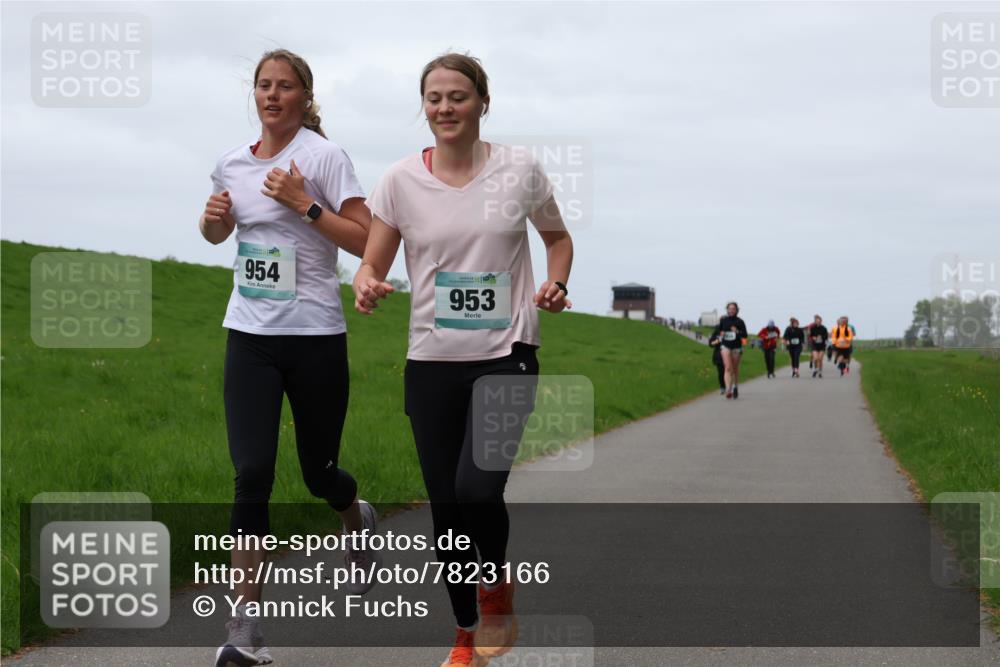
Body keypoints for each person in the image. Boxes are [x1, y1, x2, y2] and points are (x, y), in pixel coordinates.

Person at [355, 52, 574, 667]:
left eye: (458, 96)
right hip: (431, 359)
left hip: (507, 353)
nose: (445, 108)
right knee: (445, 506)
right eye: (434, 98)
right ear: (423, 106)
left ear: (483, 102)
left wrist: (554, 282)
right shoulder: (399, 180)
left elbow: (557, 238)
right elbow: (373, 259)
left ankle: (496, 585)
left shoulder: (519, 170)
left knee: (476, 488)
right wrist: (367, 282)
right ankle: (464, 633)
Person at [200, 49, 380, 667]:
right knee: (251, 474)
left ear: (305, 97)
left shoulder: (324, 157)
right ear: (254, 94)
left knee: (318, 473)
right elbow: (224, 234)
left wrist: (306, 202)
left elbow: (367, 243)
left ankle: (354, 514)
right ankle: (242, 633)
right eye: (263, 86)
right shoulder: (229, 162)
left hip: (315, 338)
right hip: (248, 334)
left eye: (285, 87)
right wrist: (212, 222)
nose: (272, 95)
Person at [718, 302, 748, 399]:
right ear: (727, 310)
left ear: (736, 310)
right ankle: (728, 389)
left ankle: (735, 386)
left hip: (736, 347)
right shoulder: (724, 321)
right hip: (725, 346)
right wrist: (721, 334)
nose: (731, 310)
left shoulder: (740, 321)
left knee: (734, 369)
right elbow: (718, 332)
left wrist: (737, 331)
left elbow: (745, 336)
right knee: (727, 367)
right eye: (729, 308)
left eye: (733, 309)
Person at [708, 325, 726, 393]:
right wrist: (717, 341)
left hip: (729, 354)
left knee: (728, 371)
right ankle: (722, 387)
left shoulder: (730, 330)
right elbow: (710, 344)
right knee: (721, 373)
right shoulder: (717, 331)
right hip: (719, 355)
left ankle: (729, 386)